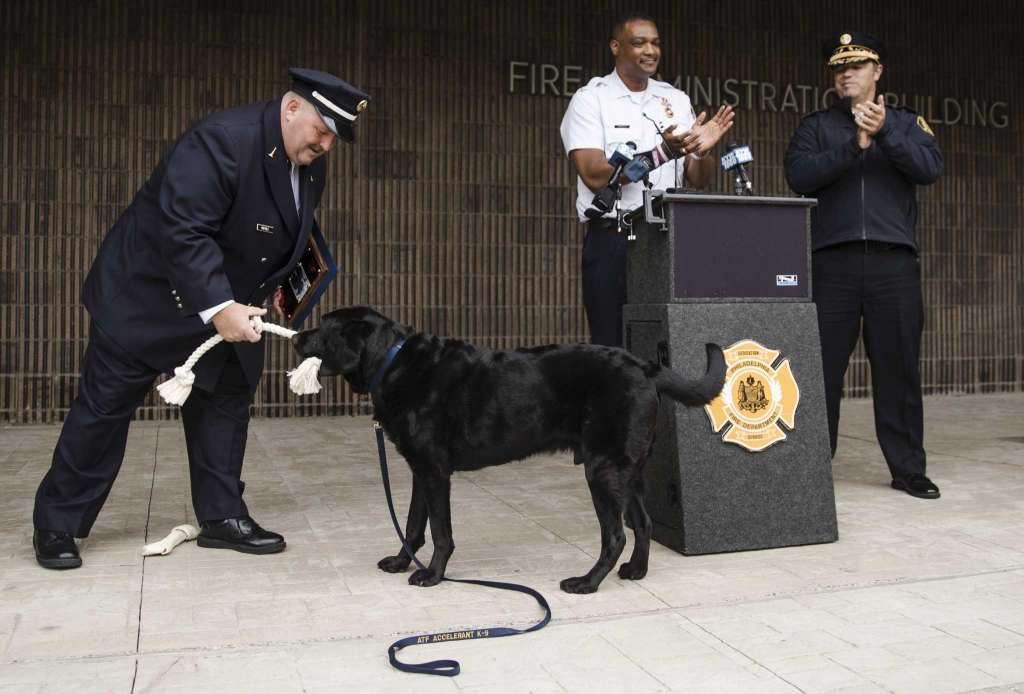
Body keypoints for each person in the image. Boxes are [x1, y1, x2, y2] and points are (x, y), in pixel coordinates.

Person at [32, 68, 370, 569]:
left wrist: (287, 282)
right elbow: (184, 231)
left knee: (226, 406)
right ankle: (57, 524)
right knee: (102, 414)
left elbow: (284, 223)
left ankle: (221, 517)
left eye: (334, 137)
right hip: (145, 299)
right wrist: (219, 308)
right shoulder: (222, 140)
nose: (324, 143)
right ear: (292, 107)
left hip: (228, 302)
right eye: (321, 129)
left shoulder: (310, 162)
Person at [784, 32, 943, 499]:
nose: (846, 74)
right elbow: (799, 177)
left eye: (857, 66)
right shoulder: (817, 126)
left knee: (898, 370)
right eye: (839, 68)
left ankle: (908, 468)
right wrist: (854, 144)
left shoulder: (908, 122)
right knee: (821, 371)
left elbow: (929, 169)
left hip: (893, 267)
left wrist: (885, 133)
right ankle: (814, 466)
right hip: (832, 264)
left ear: (878, 72)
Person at [560, 12, 734, 347]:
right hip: (614, 238)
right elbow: (596, 175)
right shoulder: (591, 98)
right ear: (616, 47)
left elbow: (697, 180)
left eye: (655, 42)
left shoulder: (675, 99)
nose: (650, 50)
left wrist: (700, 150)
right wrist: (661, 153)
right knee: (611, 344)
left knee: (668, 342)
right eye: (639, 42)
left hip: (666, 239)